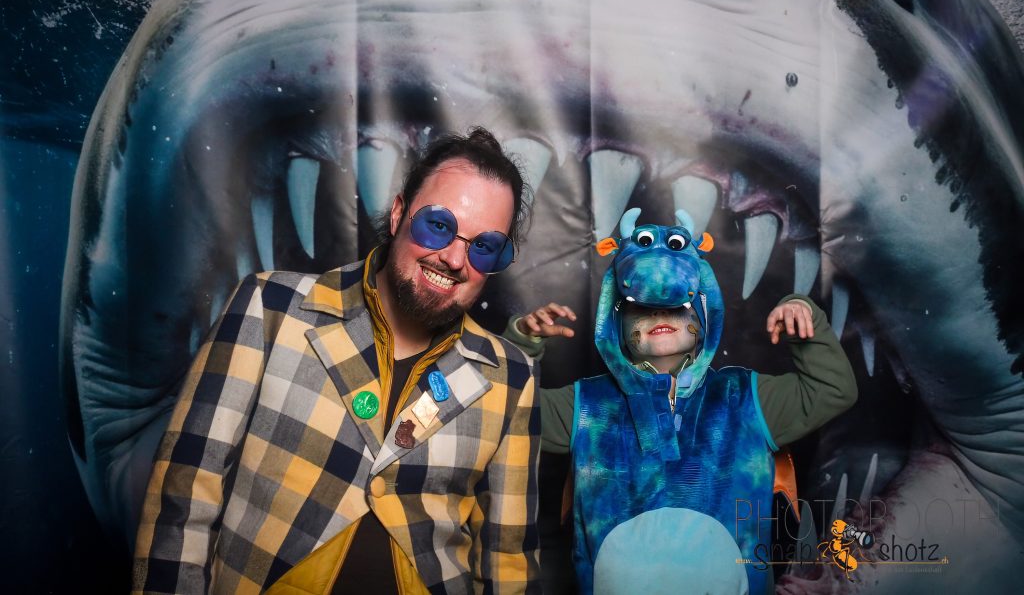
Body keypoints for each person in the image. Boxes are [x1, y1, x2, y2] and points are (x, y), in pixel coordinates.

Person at [133, 128, 541, 595]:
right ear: (398, 214)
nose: (453, 258)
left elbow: (508, 560)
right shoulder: (271, 308)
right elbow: (184, 493)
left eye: (484, 246)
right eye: (439, 225)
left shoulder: (511, 377)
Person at [504, 208, 856, 595]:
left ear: (702, 317)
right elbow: (504, 410)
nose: (659, 312)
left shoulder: (745, 399)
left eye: (677, 306)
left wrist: (804, 319)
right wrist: (522, 343)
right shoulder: (587, 406)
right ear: (616, 322)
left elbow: (833, 389)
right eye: (641, 306)